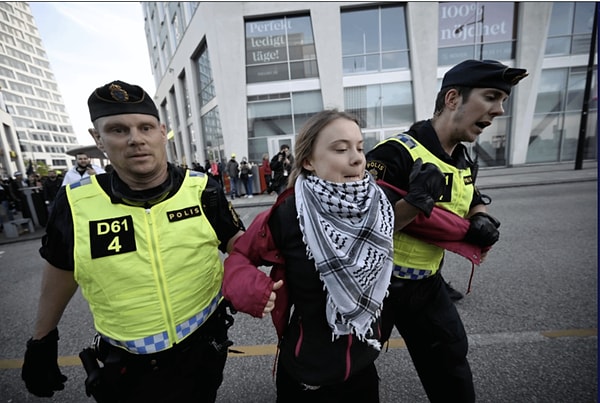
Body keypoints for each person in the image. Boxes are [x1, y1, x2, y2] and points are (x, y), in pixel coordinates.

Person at [21, 80, 245, 402]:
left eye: (145, 127)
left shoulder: (202, 189)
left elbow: (239, 244)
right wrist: (41, 341)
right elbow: (61, 271)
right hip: (127, 367)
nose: (136, 139)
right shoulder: (74, 204)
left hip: (204, 349)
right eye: (118, 130)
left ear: (162, 132)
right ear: (98, 139)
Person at [365, 59, 527, 402]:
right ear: (453, 98)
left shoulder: (465, 158)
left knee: (451, 366)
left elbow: (471, 196)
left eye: (503, 101)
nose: (498, 110)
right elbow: (362, 228)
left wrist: (481, 216)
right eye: (492, 97)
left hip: (427, 284)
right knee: (352, 372)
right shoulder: (394, 154)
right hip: (376, 288)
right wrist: (415, 200)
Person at [223, 110, 395, 402]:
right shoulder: (288, 214)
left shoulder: (380, 203)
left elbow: (433, 221)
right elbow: (239, 258)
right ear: (308, 161)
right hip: (306, 371)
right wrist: (251, 289)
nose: (357, 158)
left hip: (363, 363)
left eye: (360, 147)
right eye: (341, 149)